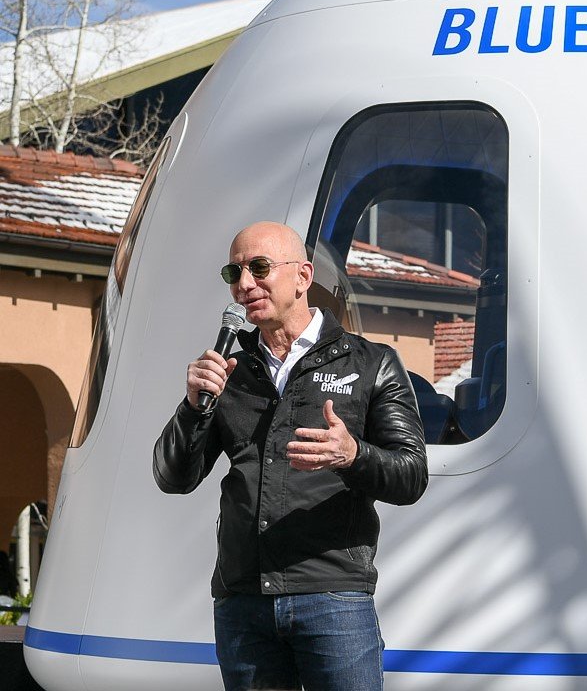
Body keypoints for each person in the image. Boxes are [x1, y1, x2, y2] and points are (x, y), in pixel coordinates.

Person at [153, 221, 427, 691]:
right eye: (234, 272)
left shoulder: (370, 362)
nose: (244, 285)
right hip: (244, 602)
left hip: (333, 597)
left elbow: (412, 475)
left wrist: (353, 454)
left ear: (303, 276)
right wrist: (194, 407)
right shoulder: (229, 370)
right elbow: (173, 476)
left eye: (259, 268)